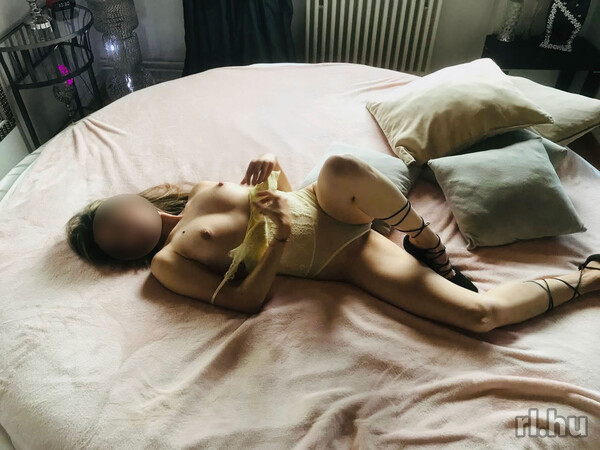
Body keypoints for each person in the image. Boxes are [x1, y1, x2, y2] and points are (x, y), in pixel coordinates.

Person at [66, 153, 600, 333]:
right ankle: (592, 276)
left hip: (325, 203)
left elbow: (279, 193)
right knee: (479, 316)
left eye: (114, 219)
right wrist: (277, 240)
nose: (124, 232)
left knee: (339, 167)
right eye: (115, 243)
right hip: (339, 256)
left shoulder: (201, 189)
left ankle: (429, 244)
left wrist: (272, 167)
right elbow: (244, 302)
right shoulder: (166, 263)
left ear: (129, 199)